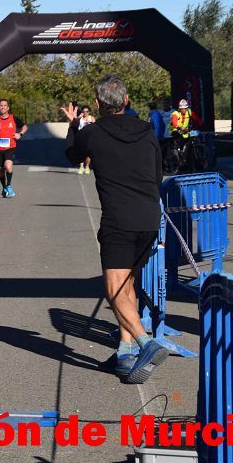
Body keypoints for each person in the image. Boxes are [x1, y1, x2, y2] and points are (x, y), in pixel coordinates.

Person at [62, 75, 168, 384]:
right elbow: (158, 173)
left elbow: (73, 156)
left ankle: (146, 344)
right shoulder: (148, 130)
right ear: (126, 101)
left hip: (118, 221)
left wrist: (72, 125)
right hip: (149, 217)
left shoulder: (92, 133)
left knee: (113, 289)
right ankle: (124, 351)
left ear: (97, 104)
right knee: (128, 284)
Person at [0, 99, 27, 198]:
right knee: (1, 170)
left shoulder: (14, 118)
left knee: (8, 167)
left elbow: (25, 127)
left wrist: (20, 134)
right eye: (1, 105)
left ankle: (8, 185)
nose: (3, 107)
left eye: (5, 105)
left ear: (8, 108)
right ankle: (4, 188)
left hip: (10, 147)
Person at [76, 106, 95, 174]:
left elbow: (95, 126)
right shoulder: (80, 118)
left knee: (88, 154)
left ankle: (87, 166)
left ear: (88, 112)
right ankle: (81, 167)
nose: (85, 113)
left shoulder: (91, 118)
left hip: (89, 138)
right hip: (81, 137)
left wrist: (90, 123)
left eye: (86, 111)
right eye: (83, 111)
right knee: (81, 153)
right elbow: (75, 122)